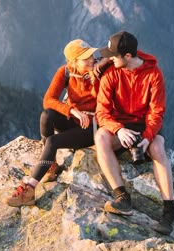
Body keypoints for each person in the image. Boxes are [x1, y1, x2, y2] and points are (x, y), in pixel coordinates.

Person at [6, 39, 109, 207]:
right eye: (85, 58)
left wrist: (105, 60)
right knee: (47, 115)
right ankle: (51, 165)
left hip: (93, 127)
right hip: (74, 119)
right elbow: (48, 100)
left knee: (53, 141)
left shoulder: (101, 68)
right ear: (73, 62)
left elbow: (122, 53)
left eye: (91, 55)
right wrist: (72, 111)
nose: (91, 59)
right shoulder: (66, 72)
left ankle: (30, 189)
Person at [94, 31, 174, 235]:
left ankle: (169, 209)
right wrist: (118, 129)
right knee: (101, 137)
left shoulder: (153, 74)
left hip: (144, 125)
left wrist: (147, 138)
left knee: (157, 145)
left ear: (128, 56)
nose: (109, 58)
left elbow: (157, 112)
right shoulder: (111, 73)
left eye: (113, 55)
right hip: (120, 126)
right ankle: (121, 196)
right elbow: (101, 112)